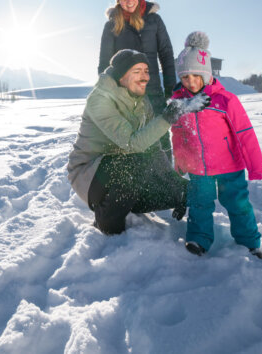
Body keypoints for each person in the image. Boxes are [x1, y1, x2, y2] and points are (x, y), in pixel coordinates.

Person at [68, 49, 209, 235]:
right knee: (134, 162)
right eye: (137, 71)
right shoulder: (99, 100)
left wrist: (177, 189)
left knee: (185, 189)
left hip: (125, 171)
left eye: (146, 71)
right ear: (121, 76)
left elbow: (153, 148)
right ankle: (108, 221)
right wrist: (167, 118)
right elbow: (131, 144)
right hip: (90, 174)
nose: (144, 77)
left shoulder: (142, 102)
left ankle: (130, 202)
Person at [169, 31, 262, 258]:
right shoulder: (179, 102)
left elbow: (245, 134)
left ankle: (249, 242)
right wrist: (180, 162)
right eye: (185, 77)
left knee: (238, 204)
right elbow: (178, 133)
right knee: (199, 204)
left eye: (196, 75)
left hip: (230, 167)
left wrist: (255, 167)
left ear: (206, 73)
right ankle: (198, 239)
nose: (191, 82)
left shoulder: (226, 100)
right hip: (197, 168)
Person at [98, 0, 176, 157]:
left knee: (161, 134)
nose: (129, 1)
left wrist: (171, 85)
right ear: (118, 1)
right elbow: (104, 62)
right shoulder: (111, 25)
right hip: (127, 94)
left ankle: (167, 179)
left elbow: (166, 53)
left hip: (153, 88)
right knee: (133, 141)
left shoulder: (154, 20)